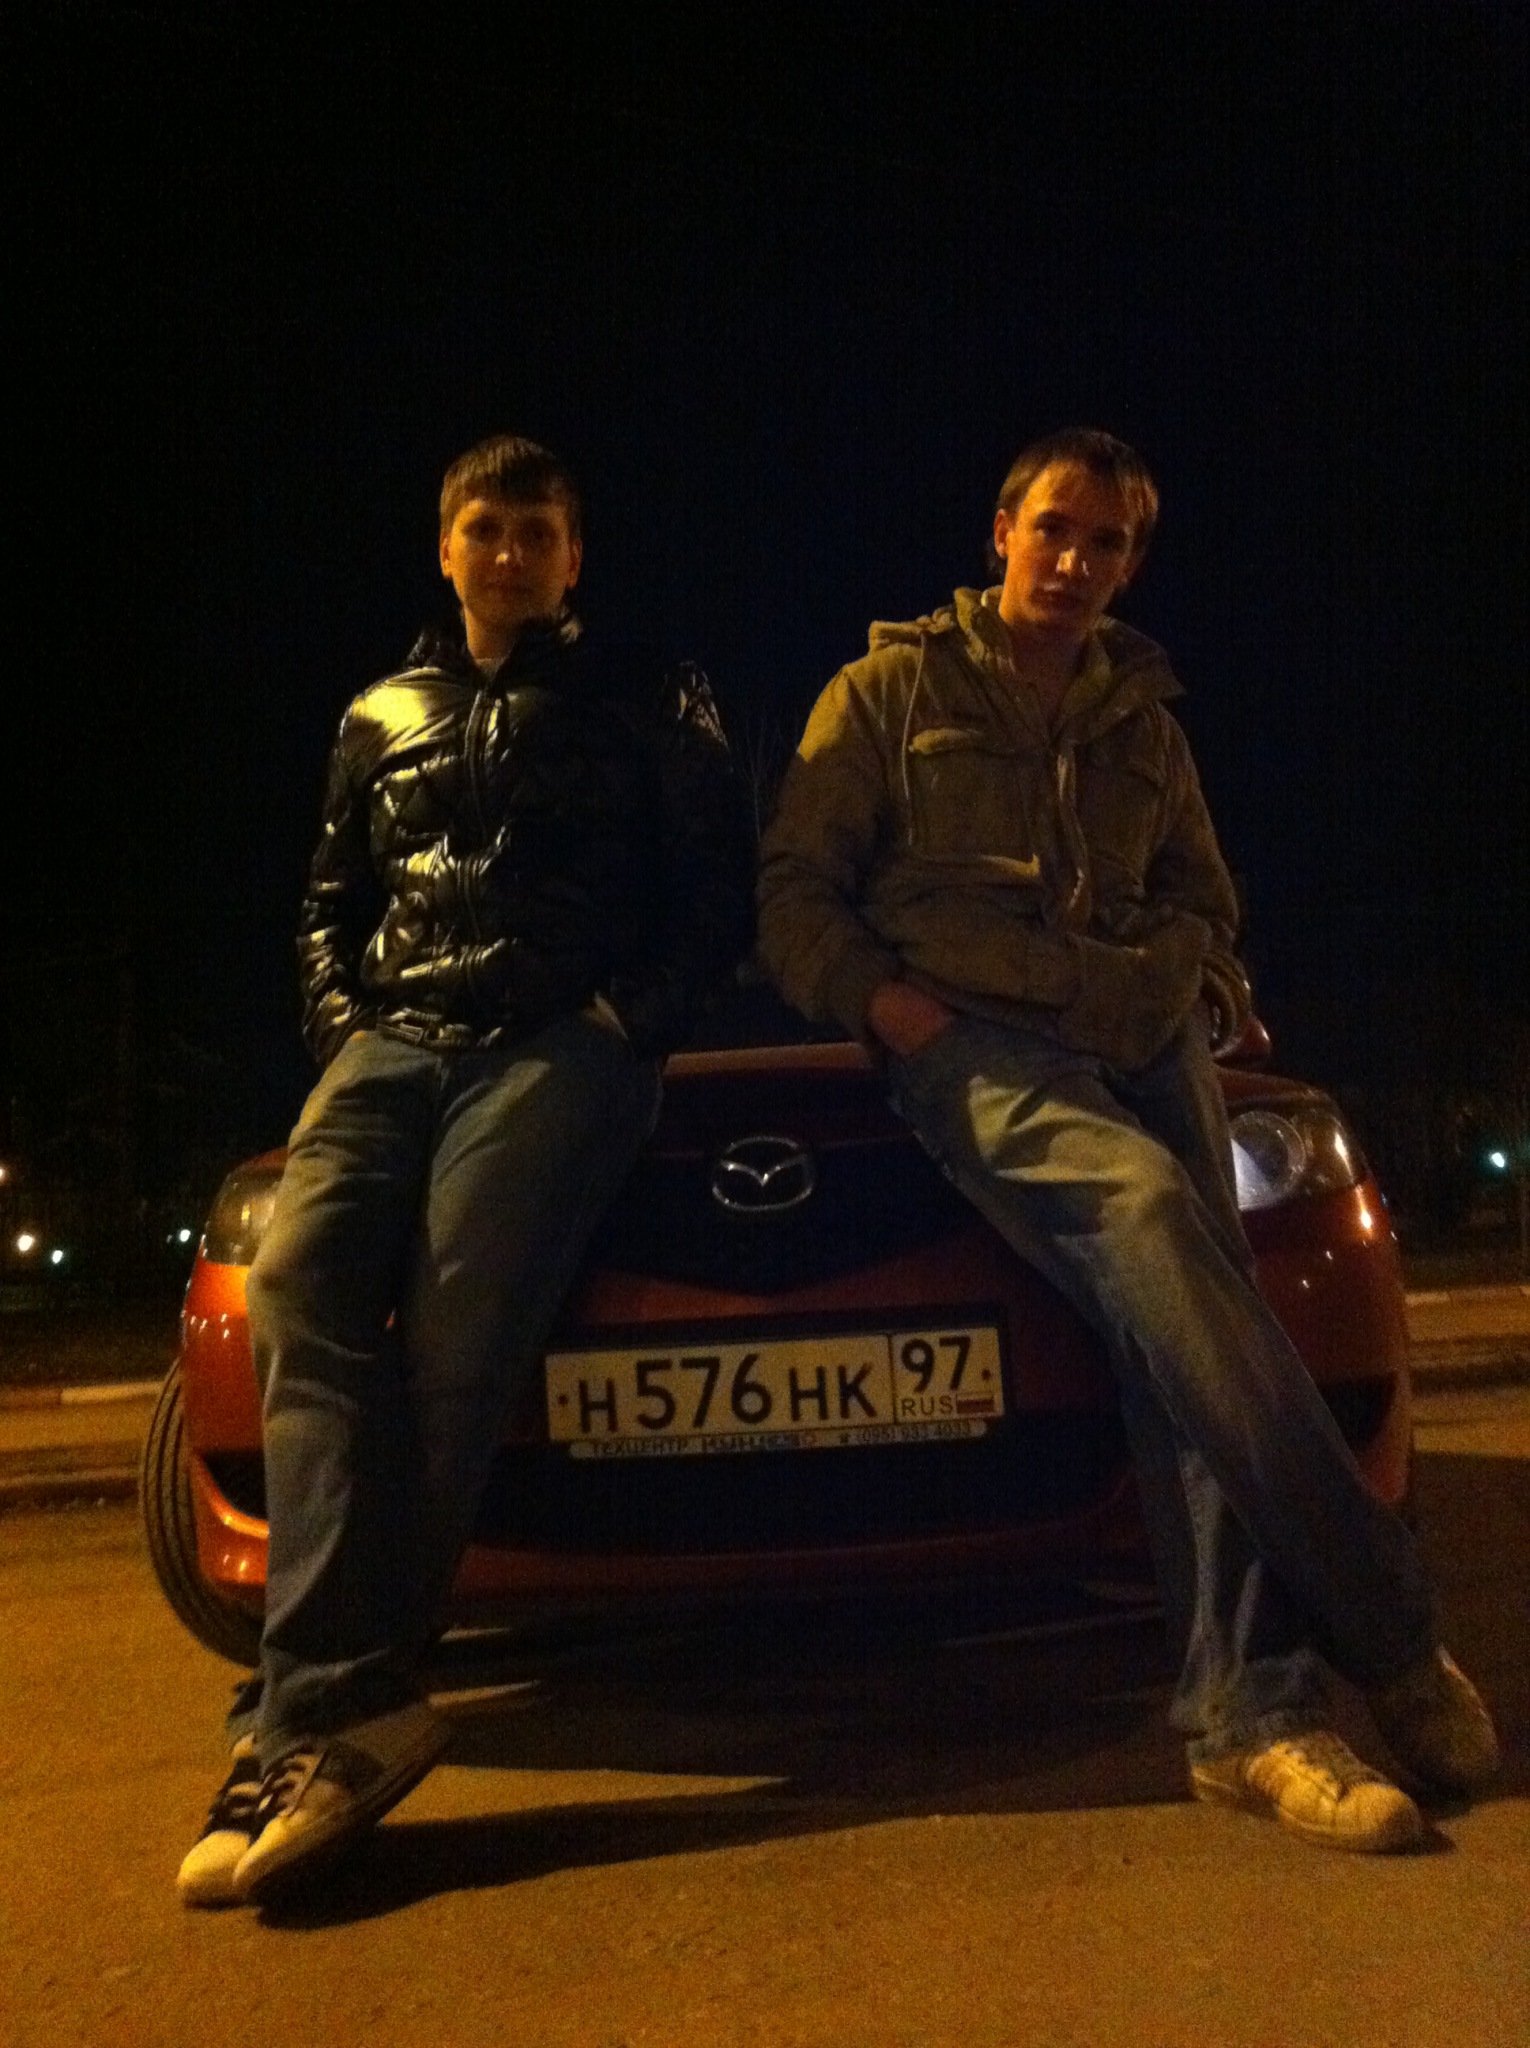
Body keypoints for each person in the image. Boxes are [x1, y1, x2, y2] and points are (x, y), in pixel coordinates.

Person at [756, 427, 1499, 1853]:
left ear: (1130, 563)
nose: (1075, 560)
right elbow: (794, 895)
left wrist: (1197, 999)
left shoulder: (1142, 721)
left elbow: (1208, 906)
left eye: (1106, 542)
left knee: (1191, 1331)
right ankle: (1395, 1635)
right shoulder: (889, 691)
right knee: (1155, 1218)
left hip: (1146, 1038)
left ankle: (1254, 1723)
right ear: (1000, 532)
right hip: (981, 1045)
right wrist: (897, 1013)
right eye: (1054, 529)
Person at [178, 434, 752, 1906]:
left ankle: (313, 1714)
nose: (510, 554)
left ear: (574, 556)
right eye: (486, 529)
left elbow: (716, 889)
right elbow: (328, 900)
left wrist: (624, 1022)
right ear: (445, 548)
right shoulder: (381, 710)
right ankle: (343, 1705)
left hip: (558, 1046)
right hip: (392, 1046)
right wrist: (343, 1031)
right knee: (297, 1290)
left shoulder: (648, 692)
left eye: (537, 532)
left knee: (453, 1327)